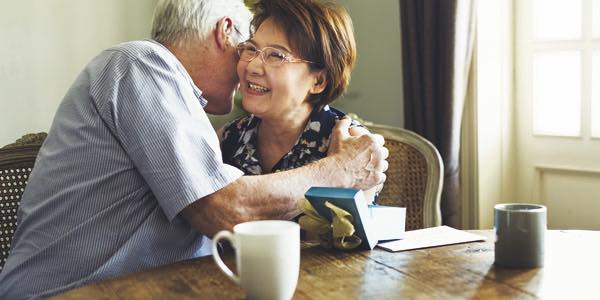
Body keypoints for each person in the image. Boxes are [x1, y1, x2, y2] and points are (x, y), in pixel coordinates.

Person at [0, 0, 388, 299]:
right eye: (247, 49)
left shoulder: (188, 112)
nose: (248, 67)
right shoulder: (140, 65)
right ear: (225, 32)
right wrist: (338, 172)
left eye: (274, 55)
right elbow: (226, 211)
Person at [221, 0, 382, 199]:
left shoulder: (351, 148)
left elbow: (347, 230)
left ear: (319, 81)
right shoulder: (228, 138)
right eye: (252, 49)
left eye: (276, 56)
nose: (252, 66)